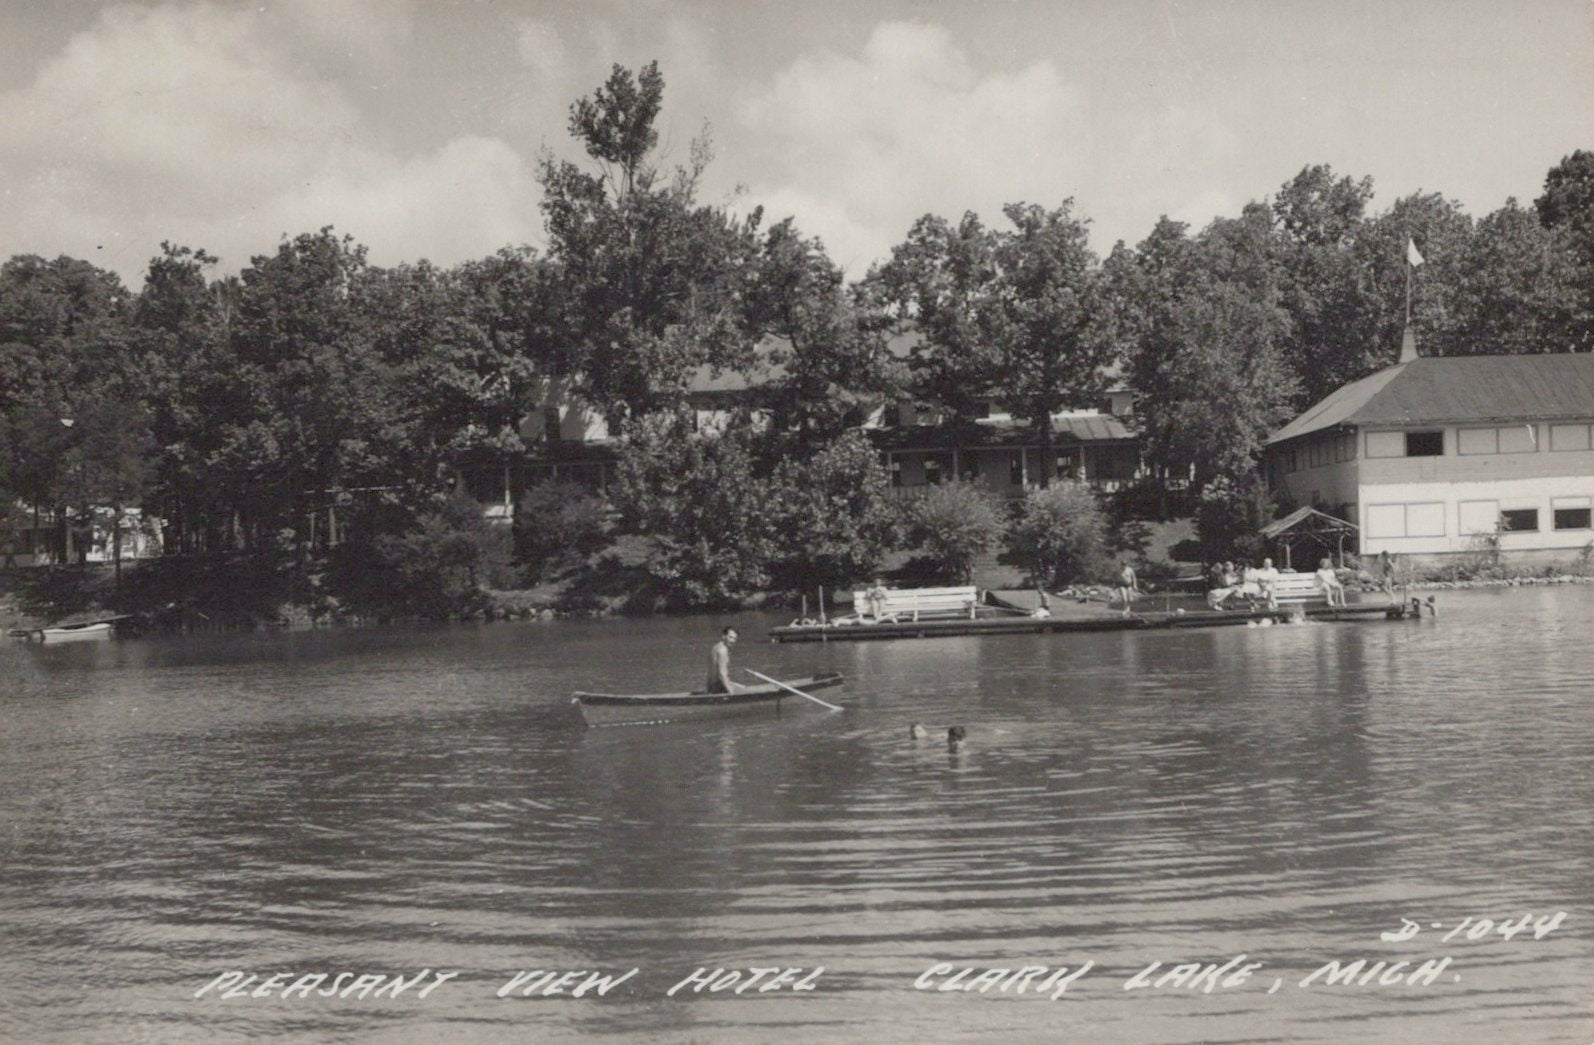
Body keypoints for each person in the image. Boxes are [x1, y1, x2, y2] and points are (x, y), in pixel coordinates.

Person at [706, 626, 740, 693]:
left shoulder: (716, 647)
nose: (733, 641)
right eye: (730, 637)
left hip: (711, 687)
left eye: (735, 639)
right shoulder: (723, 651)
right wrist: (731, 693)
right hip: (718, 689)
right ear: (723, 636)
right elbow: (722, 674)